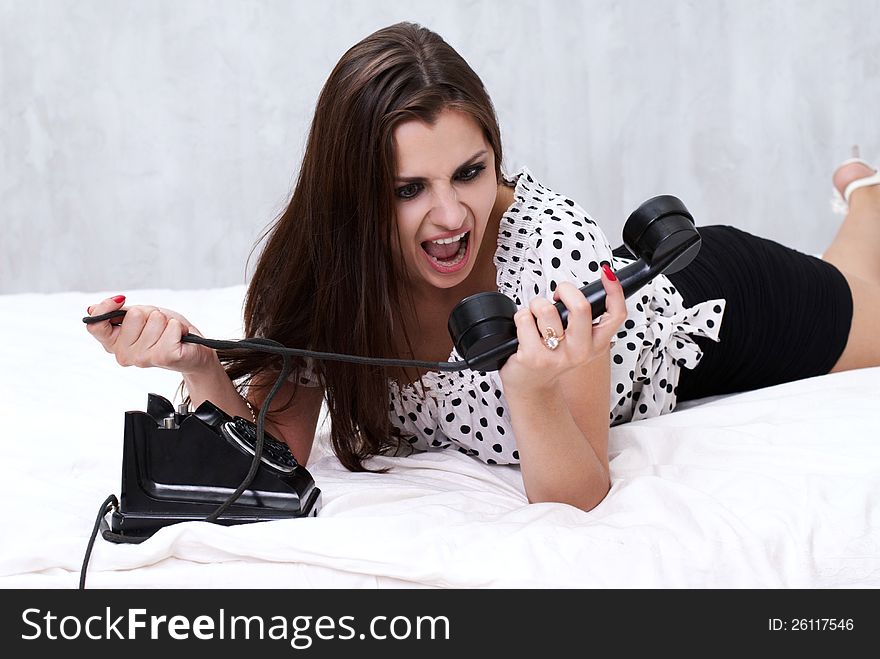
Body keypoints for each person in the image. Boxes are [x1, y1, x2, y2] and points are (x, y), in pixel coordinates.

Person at [85, 22, 880, 512]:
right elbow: (280, 453)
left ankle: (867, 205)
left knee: (868, 306)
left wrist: (530, 385)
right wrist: (203, 370)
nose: (453, 215)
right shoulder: (329, 277)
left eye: (470, 172)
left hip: (714, 309)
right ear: (353, 195)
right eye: (408, 189)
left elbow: (578, 493)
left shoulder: (554, 250)